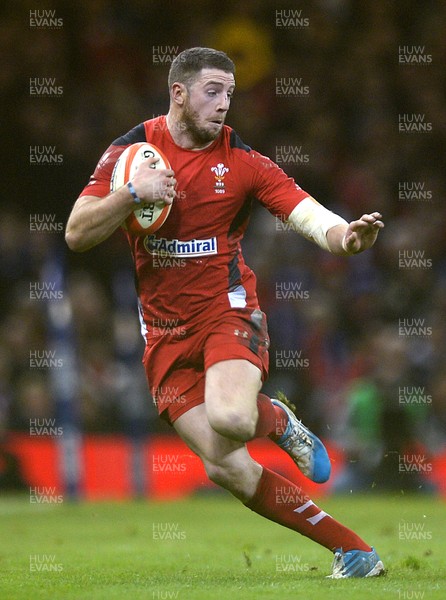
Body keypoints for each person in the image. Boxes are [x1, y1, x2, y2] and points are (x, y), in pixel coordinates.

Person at [65, 47, 385, 578]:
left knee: (233, 417)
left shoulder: (242, 161)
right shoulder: (132, 152)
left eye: (229, 93)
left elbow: (303, 210)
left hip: (227, 313)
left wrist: (346, 237)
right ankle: (353, 551)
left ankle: (277, 419)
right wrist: (130, 194)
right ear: (179, 94)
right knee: (227, 466)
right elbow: (77, 233)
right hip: (164, 335)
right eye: (212, 91)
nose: (223, 104)